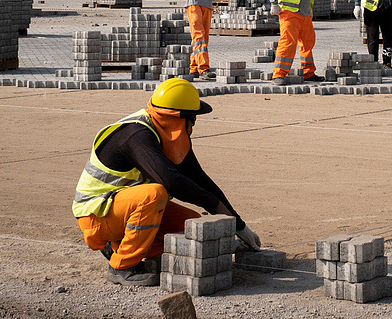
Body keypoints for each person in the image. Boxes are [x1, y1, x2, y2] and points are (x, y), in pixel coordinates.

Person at [71, 79, 261, 287]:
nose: (193, 126)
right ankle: (122, 266)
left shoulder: (165, 134)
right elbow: (173, 182)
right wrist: (227, 218)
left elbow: (201, 181)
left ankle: (125, 248)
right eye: (192, 120)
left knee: (190, 224)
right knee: (154, 194)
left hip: (121, 211)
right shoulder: (137, 135)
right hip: (97, 216)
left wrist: (239, 226)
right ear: (177, 118)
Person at [268, 0, 326, 85]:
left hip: (304, 15)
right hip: (289, 13)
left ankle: (308, 73)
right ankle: (278, 74)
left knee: (308, 43)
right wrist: (273, 4)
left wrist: (309, 10)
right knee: (288, 43)